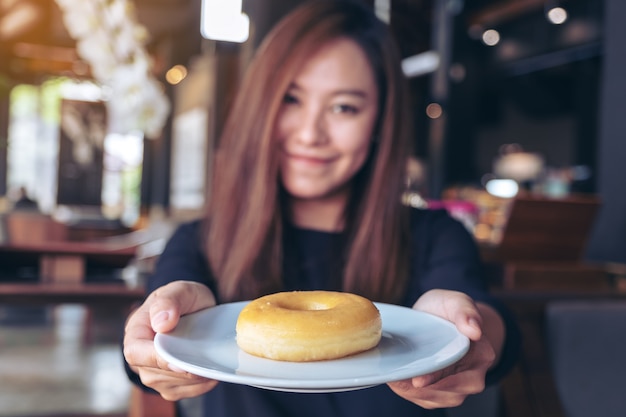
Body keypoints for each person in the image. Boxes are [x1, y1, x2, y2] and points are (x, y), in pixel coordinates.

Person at [123, 1, 520, 416]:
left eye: (343, 107)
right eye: (292, 99)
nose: (311, 133)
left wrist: (470, 333)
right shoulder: (200, 241)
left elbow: (489, 322)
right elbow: (149, 336)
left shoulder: (434, 235)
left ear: (380, 121)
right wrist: (150, 337)